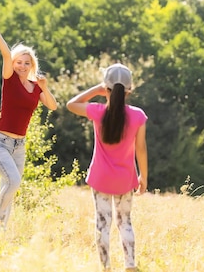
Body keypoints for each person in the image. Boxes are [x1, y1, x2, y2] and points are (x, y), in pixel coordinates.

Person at [66, 63, 148, 272]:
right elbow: (141, 150)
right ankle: (130, 265)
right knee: (125, 222)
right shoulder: (138, 115)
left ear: (106, 88)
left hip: (100, 178)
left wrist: (96, 89)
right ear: (129, 90)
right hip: (125, 179)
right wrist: (143, 177)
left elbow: (71, 104)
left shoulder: (97, 111)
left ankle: (105, 267)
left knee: (103, 223)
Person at [0, 19, 58, 234]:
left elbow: (52, 106)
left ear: (32, 66)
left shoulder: (36, 87)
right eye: (19, 62)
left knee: (8, 187)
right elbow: (6, 54)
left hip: (19, 146)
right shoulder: (10, 79)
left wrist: (45, 87)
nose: (22, 66)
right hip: (0, 142)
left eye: (27, 63)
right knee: (13, 182)